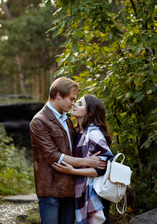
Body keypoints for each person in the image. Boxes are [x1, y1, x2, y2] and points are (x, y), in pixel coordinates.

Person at [29, 77, 107, 224]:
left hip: (70, 189)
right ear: (58, 95)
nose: (73, 104)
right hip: (50, 190)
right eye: (71, 99)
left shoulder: (67, 120)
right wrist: (87, 161)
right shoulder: (39, 121)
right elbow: (53, 155)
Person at [52, 95, 114, 224]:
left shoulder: (93, 134)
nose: (74, 104)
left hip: (95, 193)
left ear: (90, 112)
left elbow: (103, 168)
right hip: (82, 190)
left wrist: (73, 171)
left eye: (80, 104)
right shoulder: (76, 132)